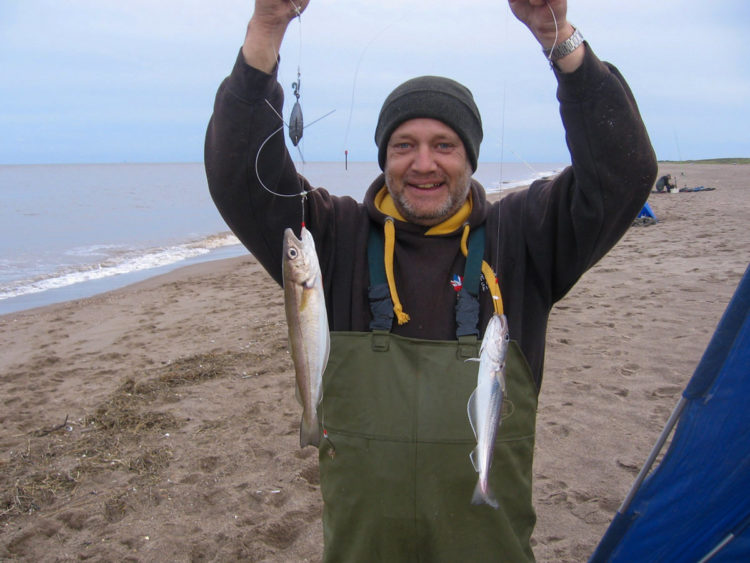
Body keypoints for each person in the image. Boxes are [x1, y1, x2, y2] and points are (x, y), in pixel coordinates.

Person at [204, 0, 657, 560]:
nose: (423, 164)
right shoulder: (328, 235)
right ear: (383, 158)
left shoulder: (527, 235)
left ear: (469, 157)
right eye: (403, 146)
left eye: (444, 145)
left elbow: (624, 171)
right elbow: (237, 174)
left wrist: (556, 36)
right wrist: (267, 28)